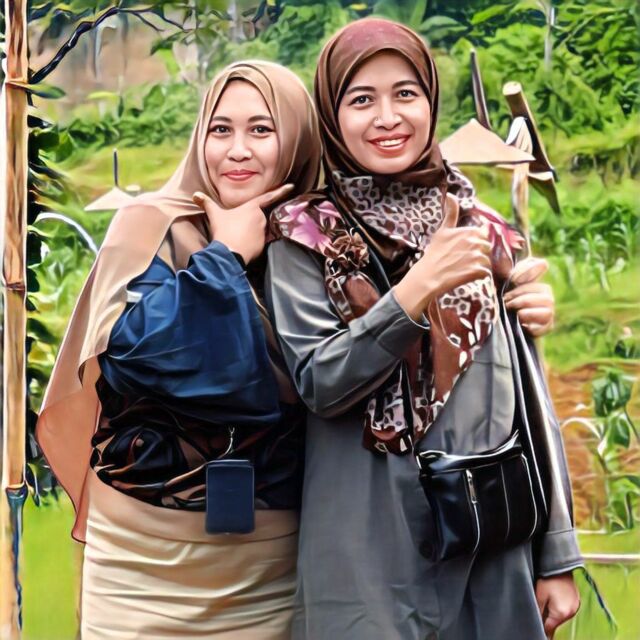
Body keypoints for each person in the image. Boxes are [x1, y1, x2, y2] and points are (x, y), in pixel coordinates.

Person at [265, 19, 582, 640]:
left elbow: (529, 402)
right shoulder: (304, 234)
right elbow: (321, 382)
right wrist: (415, 292)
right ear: (332, 113)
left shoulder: (483, 230)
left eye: (405, 93)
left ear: (431, 102)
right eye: (362, 99)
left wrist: (556, 554)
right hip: (366, 548)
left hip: (490, 539)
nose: (388, 117)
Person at [36, 60, 320, 639]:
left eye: (261, 130)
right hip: (139, 561)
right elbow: (139, 358)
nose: (237, 150)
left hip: (269, 568)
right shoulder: (148, 226)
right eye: (221, 129)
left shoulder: (320, 245)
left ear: (296, 139)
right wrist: (225, 257)